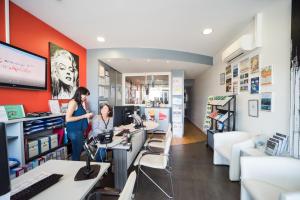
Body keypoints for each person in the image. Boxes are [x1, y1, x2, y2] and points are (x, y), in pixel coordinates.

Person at [66, 87, 93, 161]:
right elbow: (68, 119)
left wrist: (88, 116)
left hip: (79, 131)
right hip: (74, 131)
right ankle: (75, 169)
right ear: (80, 94)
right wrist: (84, 116)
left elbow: (79, 115)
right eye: (85, 96)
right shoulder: (73, 102)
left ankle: (76, 167)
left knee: (78, 152)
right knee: (76, 153)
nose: (86, 98)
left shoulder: (80, 103)